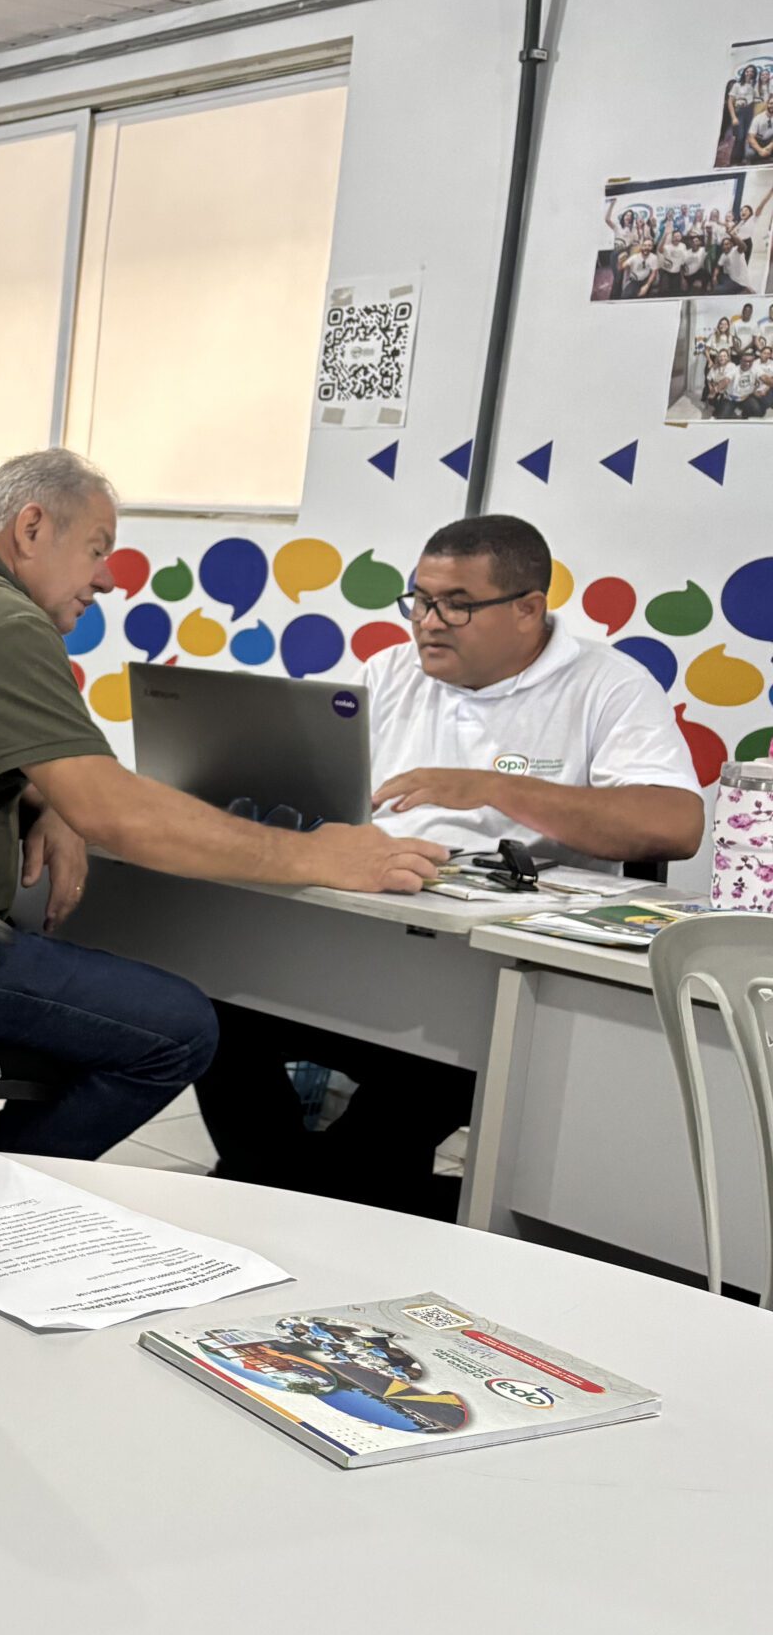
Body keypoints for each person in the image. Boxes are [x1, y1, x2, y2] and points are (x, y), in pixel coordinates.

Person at [0, 448, 446, 1162]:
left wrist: (58, 803)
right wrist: (319, 854)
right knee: (182, 1029)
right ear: (32, 528)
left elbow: (35, 774)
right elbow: (118, 812)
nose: (106, 577)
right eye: (98, 549)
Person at [199, 514, 703, 1217]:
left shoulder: (607, 685)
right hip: (366, 931)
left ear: (529, 609)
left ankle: (308, 1197)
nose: (428, 623)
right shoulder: (389, 671)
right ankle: (291, 1190)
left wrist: (497, 787)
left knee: (414, 1083)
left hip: (485, 977)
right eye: (419, 600)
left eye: (456, 605)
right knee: (212, 1011)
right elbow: (327, 791)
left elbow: (674, 825)